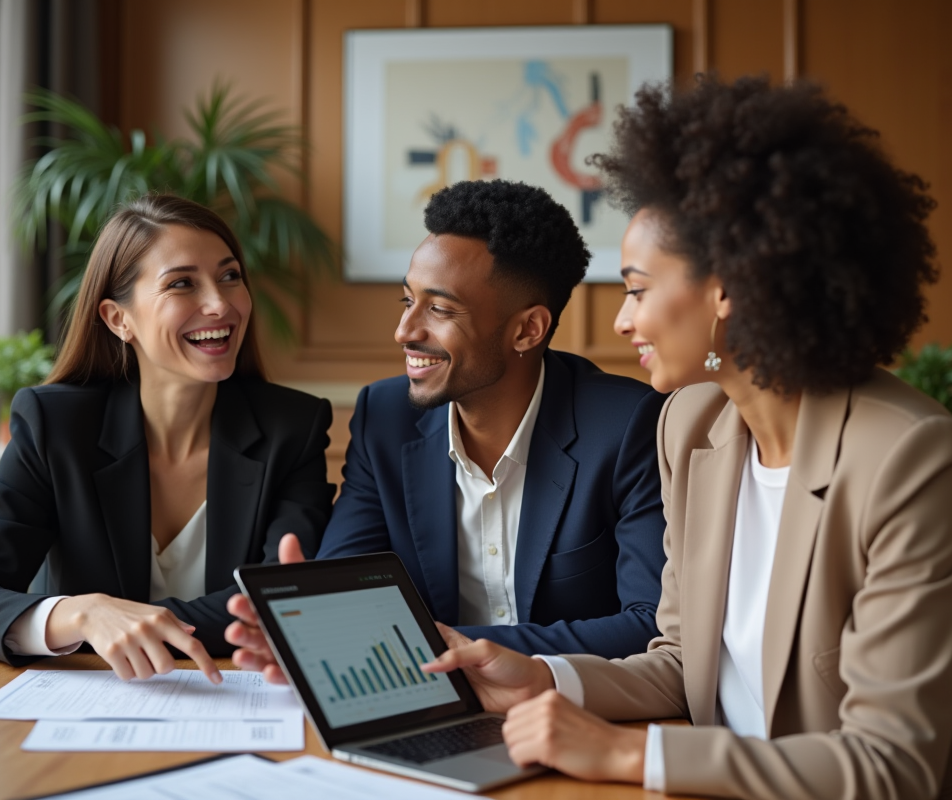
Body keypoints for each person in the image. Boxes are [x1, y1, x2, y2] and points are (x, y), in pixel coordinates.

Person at [407, 77, 952, 799]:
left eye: (638, 289)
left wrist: (627, 756)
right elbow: (681, 662)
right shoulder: (692, 425)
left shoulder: (910, 458)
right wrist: (544, 676)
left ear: (728, 288)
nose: (622, 322)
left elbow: (888, 766)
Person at [228, 179, 668, 666]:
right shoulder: (384, 419)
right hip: (428, 701)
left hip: (574, 711)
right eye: (407, 301)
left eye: (439, 309)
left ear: (527, 329)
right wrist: (314, 625)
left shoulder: (627, 426)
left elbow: (649, 624)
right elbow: (346, 599)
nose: (405, 331)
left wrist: (445, 647)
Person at [0, 195, 335, 684]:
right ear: (119, 319)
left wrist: (142, 623)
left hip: (231, 694)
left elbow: (279, 602)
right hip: (89, 705)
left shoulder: (292, 427)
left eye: (229, 276)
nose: (220, 303)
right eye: (182, 283)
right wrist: (83, 615)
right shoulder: (55, 425)